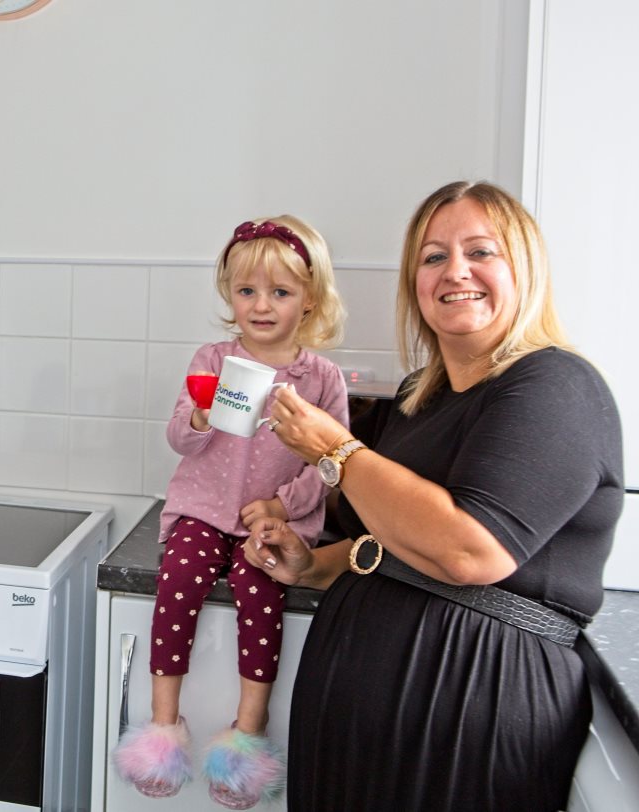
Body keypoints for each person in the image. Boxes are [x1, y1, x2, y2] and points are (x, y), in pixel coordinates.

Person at [248, 181, 623, 811]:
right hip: (359, 707)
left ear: (523, 269)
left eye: (481, 252)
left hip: (471, 702)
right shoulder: (425, 393)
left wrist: (335, 451)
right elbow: (397, 535)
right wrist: (315, 565)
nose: (456, 272)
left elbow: (470, 552)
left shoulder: (557, 387)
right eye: (433, 257)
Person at [112, 216, 349, 809]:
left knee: (260, 590)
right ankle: (163, 728)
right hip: (201, 509)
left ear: (310, 299)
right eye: (247, 292)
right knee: (180, 583)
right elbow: (179, 439)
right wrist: (197, 416)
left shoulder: (320, 378)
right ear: (229, 296)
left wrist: (281, 507)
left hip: (274, 523)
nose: (261, 305)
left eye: (280, 292)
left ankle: (248, 733)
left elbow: (333, 464)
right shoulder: (214, 358)